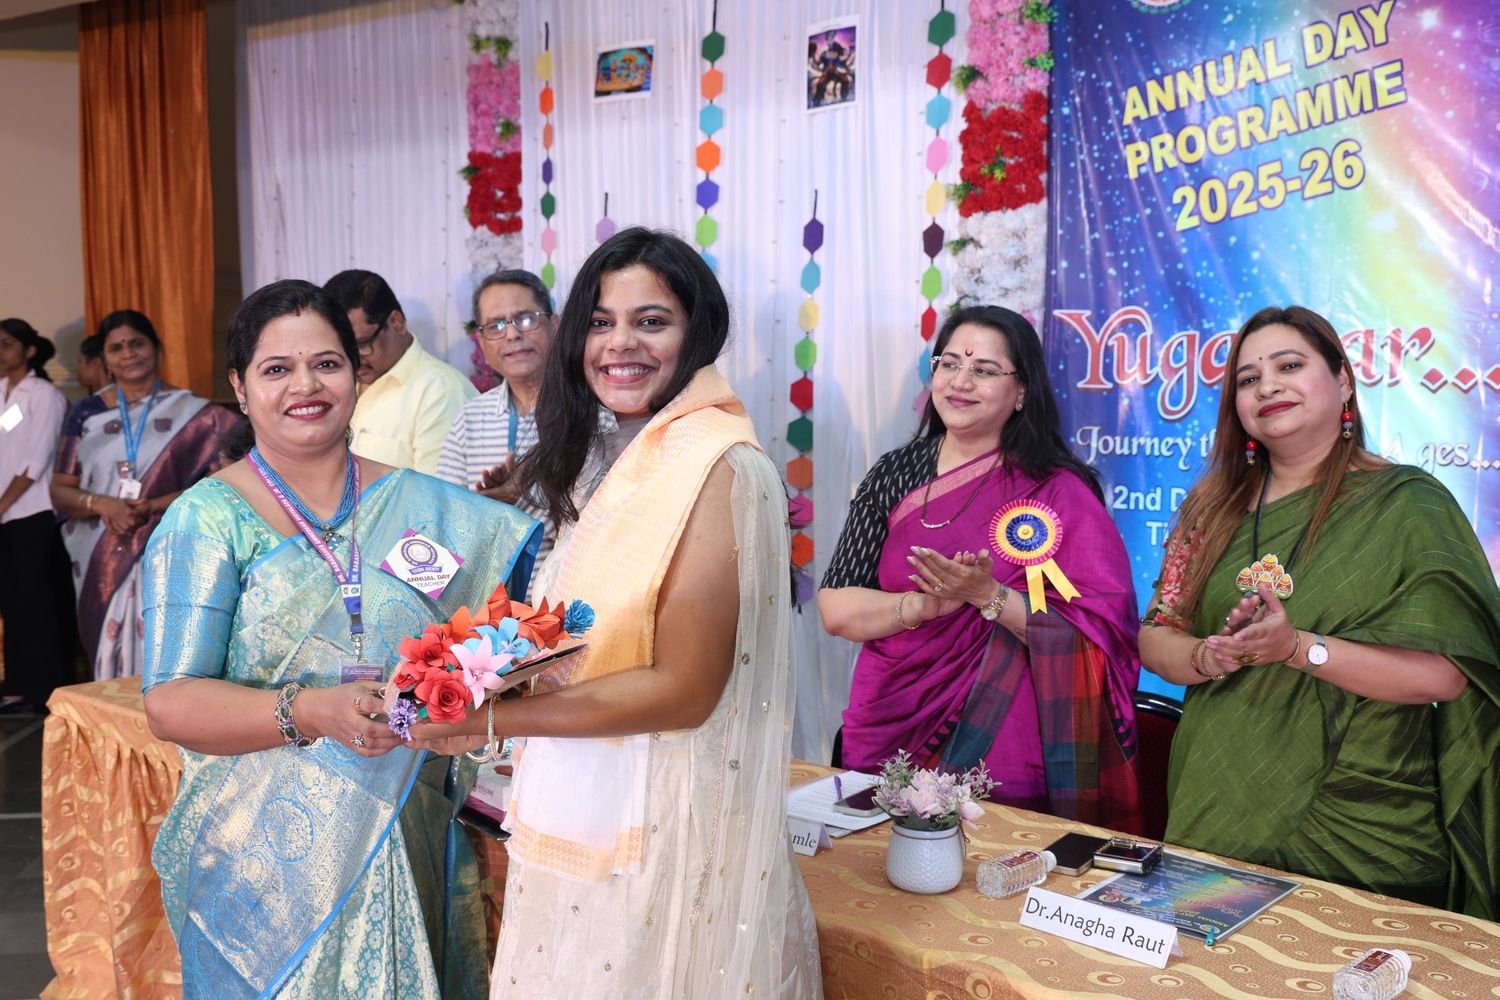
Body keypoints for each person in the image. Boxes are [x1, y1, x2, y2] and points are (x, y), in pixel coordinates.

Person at [410, 228, 822, 998]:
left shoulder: (719, 466)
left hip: (662, 824)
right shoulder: (611, 457)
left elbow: (684, 691)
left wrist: (492, 720)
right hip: (588, 808)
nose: (620, 343)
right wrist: (460, 677)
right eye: (601, 322)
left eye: (650, 321)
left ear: (698, 332)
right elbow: (578, 626)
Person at [141, 279, 541, 998]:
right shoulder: (207, 519)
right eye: (277, 368)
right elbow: (170, 703)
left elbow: (492, 647)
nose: (305, 385)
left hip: (405, 832)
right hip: (262, 870)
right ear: (239, 387)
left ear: (358, 373)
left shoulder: (427, 507)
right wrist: (313, 711)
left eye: (326, 363)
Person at [1140, 305, 1500, 917]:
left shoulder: (1409, 505)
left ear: (1343, 381)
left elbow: (1443, 677)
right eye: (1248, 378)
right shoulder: (1212, 508)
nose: (1267, 386)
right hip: (1222, 795)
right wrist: (1209, 655)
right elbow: (1157, 634)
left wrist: (1295, 648)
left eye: (1288, 366)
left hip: (1365, 819)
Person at [819, 306, 1142, 830]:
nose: (960, 381)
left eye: (984, 370)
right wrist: (923, 606)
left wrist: (987, 595)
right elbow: (835, 609)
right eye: (949, 364)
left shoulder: (1057, 489)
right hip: (891, 719)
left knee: (991, 866)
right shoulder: (895, 473)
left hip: (1005, 736)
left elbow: (1097, 632)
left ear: (1021, 392)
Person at [50, 309, 237, 680]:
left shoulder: (198, 416)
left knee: (172, 650)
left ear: (157, 348)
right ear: (104, 359)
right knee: (106, 654)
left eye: (137, 343)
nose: (128, 354)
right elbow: (59, 489)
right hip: (101, 553)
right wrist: (103, 504)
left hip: (169, 544)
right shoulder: (86, 413)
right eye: (116, 347)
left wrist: (153, 505)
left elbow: (223, 484)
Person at [324, 269, 476, 474]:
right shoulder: (338, 383)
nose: (353, 360)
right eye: (341, 349)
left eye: (361, 345)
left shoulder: (441, 392)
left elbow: (438, 491)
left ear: (396, 322)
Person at [0, 319, 74, 710]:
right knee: (12, 603)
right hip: (5, 516)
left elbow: (35, 460)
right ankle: (18, 685)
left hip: (32, 512)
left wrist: (2, 505)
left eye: (7, 344)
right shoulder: (2, 392)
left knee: (37, 603)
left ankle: (46, 689)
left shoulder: (43, 394)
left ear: (29, 350)